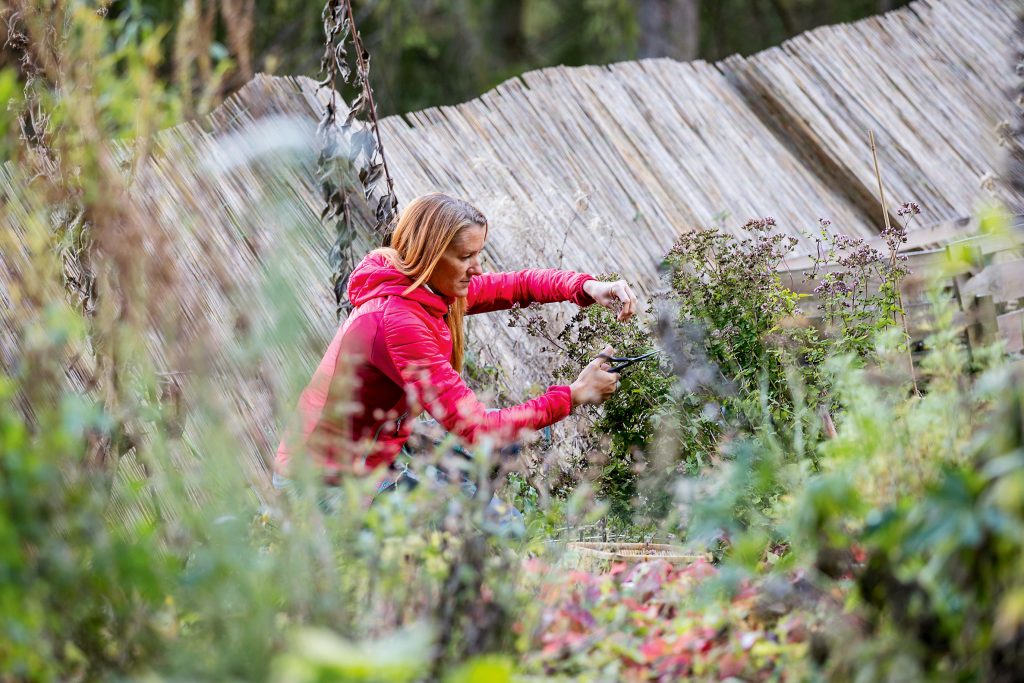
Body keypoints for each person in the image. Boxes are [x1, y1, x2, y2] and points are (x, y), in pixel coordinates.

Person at [274, 192, 638, 499]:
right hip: (321, 482)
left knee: (462, 516)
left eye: (478, 254)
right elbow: (478, 429)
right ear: (429, 255)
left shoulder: (430, 290)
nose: (477, 268)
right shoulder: (398, 321)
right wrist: (573, 395)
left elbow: (519, 285)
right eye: (466, 257)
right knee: (465, 532)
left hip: (369, 463)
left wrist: (589, 287)